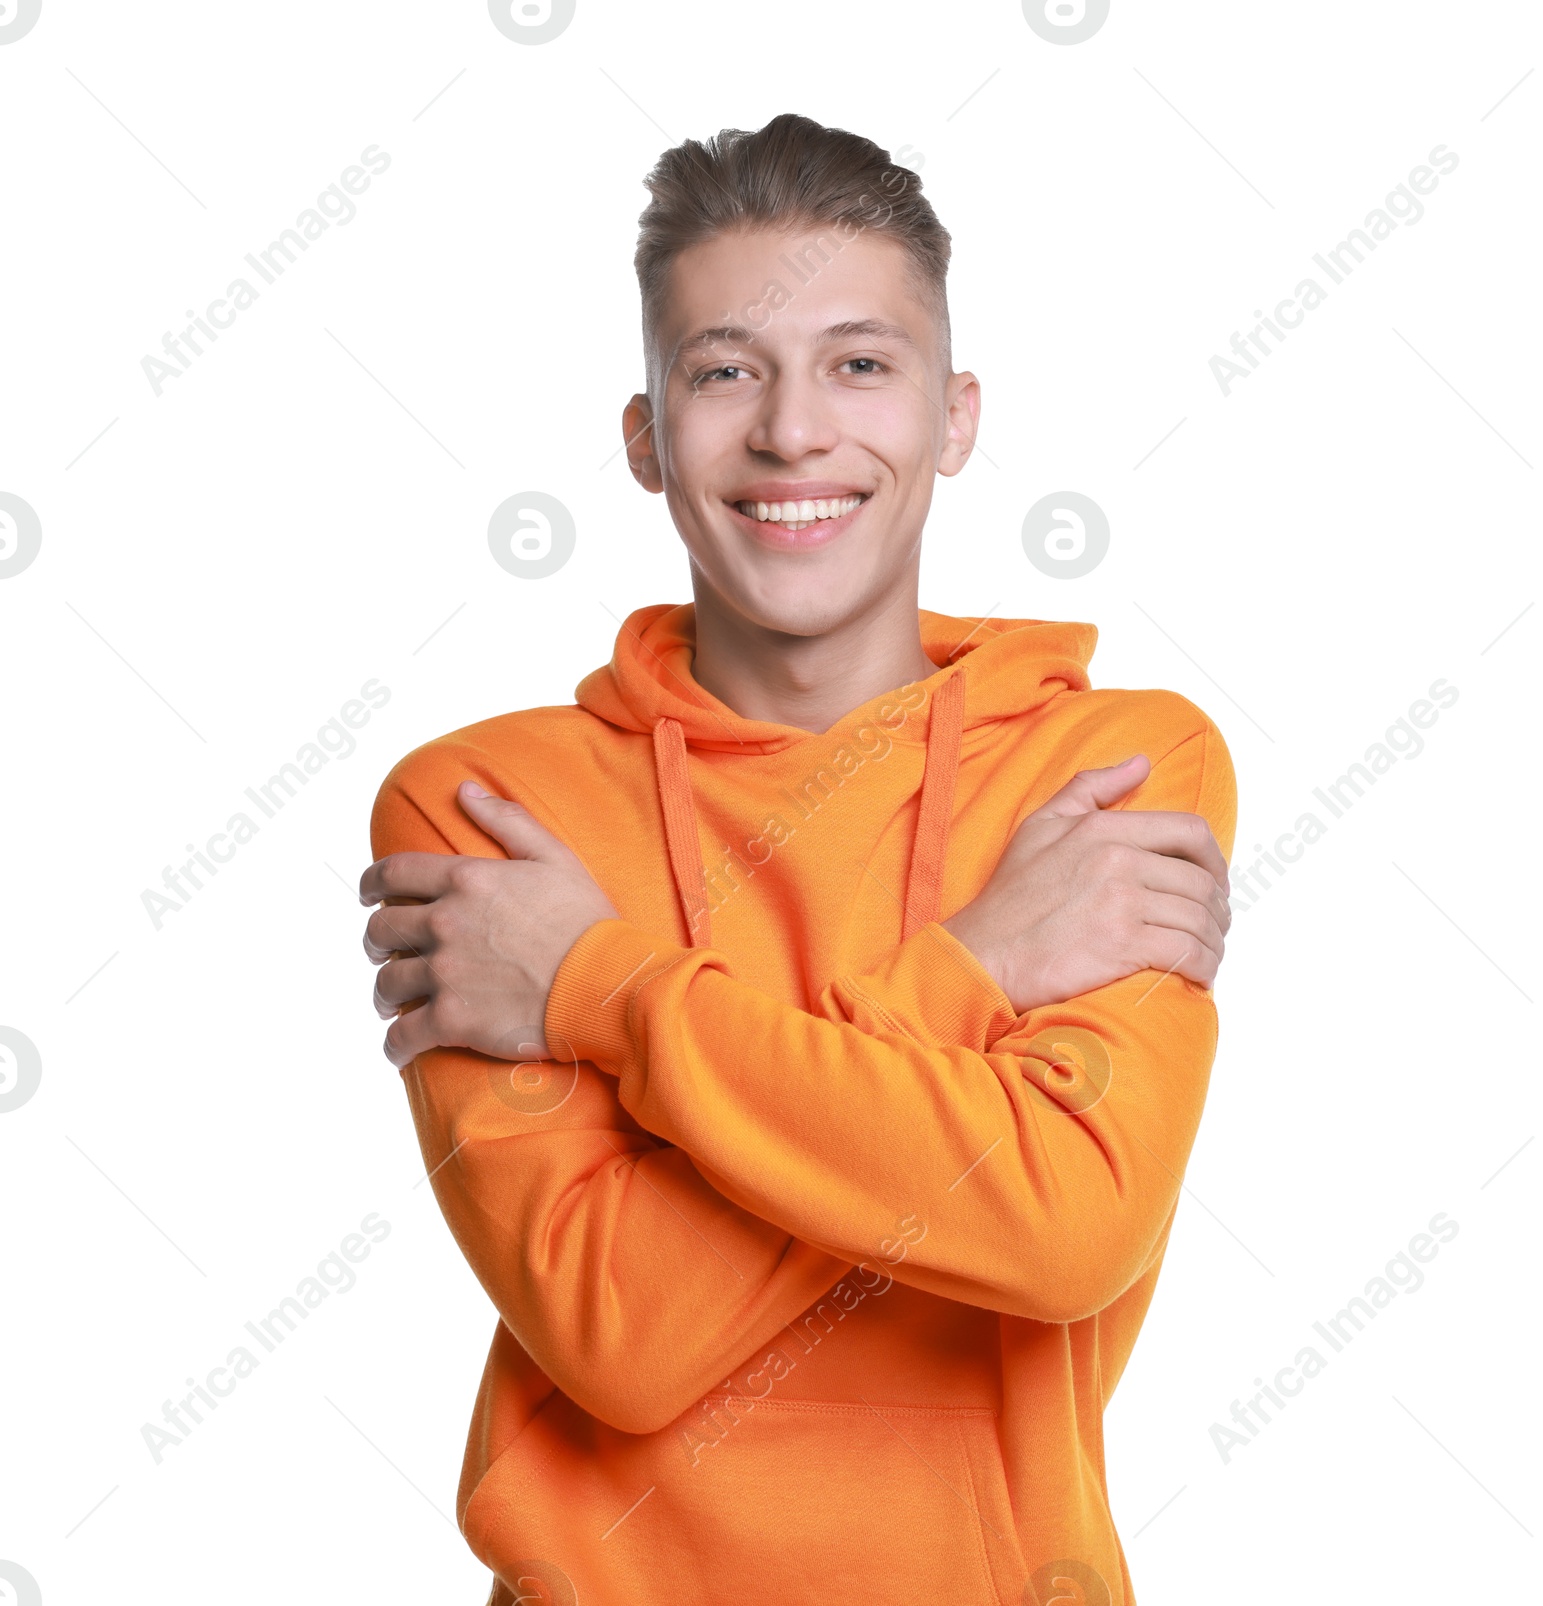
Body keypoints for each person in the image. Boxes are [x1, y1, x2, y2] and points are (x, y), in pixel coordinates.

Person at [361, 112, 1237, 1606]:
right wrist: (975, 971)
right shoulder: (486, 807)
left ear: (954, 418)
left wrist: (600, 986)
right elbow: (620, 1334)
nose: (789, 432)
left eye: (860, 363)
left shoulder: (1104, 769)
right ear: (645, 436)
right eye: (721, 371)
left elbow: (1065, 1224)